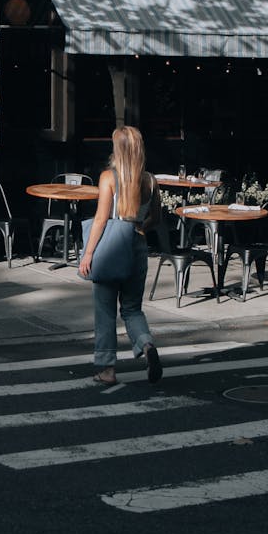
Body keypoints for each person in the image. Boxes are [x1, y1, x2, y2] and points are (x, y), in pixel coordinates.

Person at [78, 125, 163, 386]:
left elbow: (101, 219)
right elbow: (156, 219)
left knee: (105, 311)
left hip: (111, 247)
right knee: (132, 309)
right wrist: (137, 226)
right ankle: (147, 345)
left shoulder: (108, 178)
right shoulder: (150, 180)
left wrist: (87, 254)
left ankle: (106, 369)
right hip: (137, 245)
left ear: (118, 148)